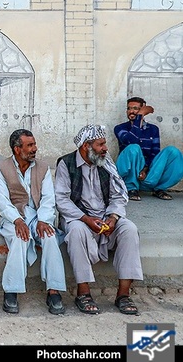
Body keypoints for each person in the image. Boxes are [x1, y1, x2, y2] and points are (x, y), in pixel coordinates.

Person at [55, 124, 143, 315]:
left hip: (105, 217)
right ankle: (83, 292)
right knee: (76, 231)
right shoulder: (66, 163)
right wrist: (86, 219)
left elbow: (118, 196)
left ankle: (123, 295)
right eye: (101, 144)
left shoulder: (106, 163)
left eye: (105, 144)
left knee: (129, 229)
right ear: (86, 145)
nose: (105, 148)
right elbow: (61, 199)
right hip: (78, 217)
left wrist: (112, 217)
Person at [0, 129, 66, 315]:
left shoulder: (42, 168)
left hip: (38, 215)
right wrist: (17, 220)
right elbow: (2, 201)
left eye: (34, 144)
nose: (35, 148)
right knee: (20, 238)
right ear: (17, 149)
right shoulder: (1, 168)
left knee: (49, 237)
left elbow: (49, 198)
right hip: (13, 216)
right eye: (30, 145)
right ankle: (11, 291)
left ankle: (54, 291)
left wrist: (43, 221)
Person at [113, 96, 183, 201]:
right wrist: (139, 117)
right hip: (128, 175)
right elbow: (132, 140)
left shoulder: (153, 129)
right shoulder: (120, 128)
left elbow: (155, 153)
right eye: (129, 108)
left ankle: (158, 188)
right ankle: (131, 188)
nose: (131, 111)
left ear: (143, 109)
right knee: (133, 148)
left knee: (173, 152)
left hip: (147, 176)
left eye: (136, 109)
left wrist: (145, 170)